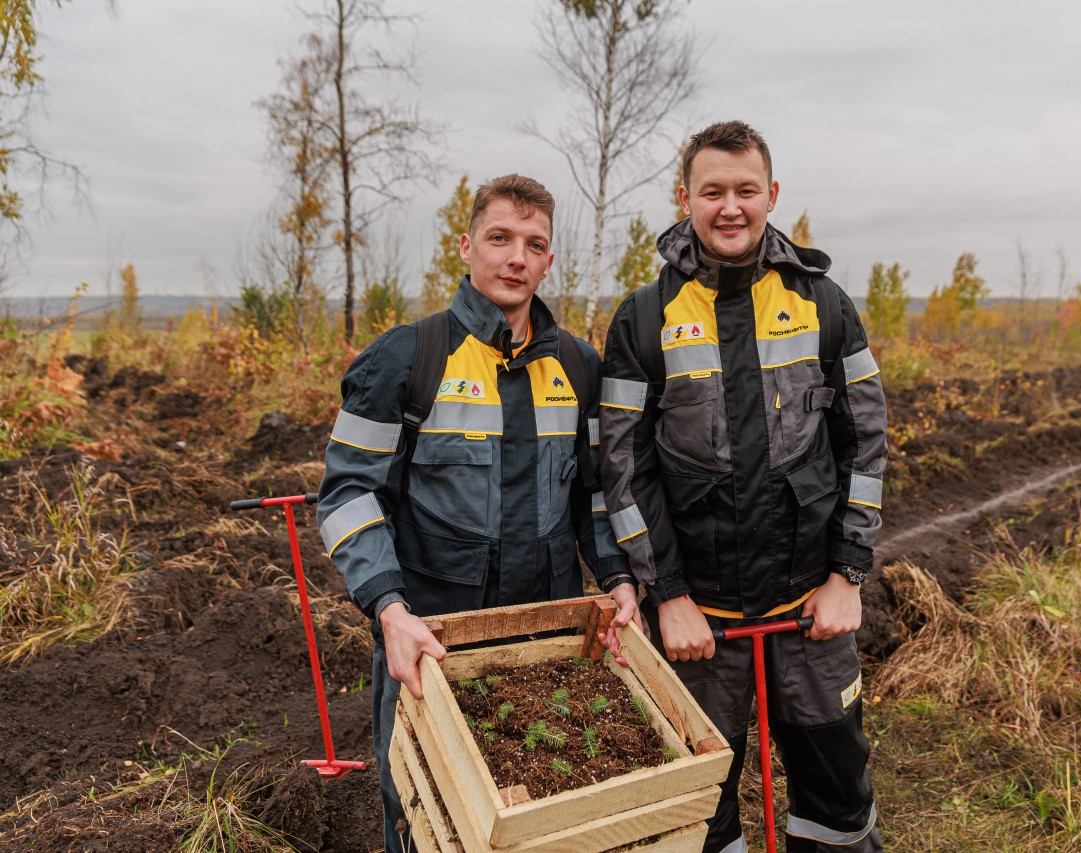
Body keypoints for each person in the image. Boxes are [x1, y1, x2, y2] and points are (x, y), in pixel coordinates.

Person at [317, 174, 635, 853]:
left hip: (546, 648)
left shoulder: (580, 368)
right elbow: (347, 495)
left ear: (550, 262)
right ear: (466, 246)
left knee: (545, 816)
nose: (515, 257)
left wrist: (619, 581)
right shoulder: (408, 359)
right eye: (500, 238)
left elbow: (596, 497)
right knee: (426, 816)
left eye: (534, 244)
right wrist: (389, 609)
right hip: (430, 647)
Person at [598, 121, 887, 852]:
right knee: (695, 813)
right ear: (685, 198)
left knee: (838, 808)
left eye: (746, 190)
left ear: (772, 195)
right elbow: (623, 468)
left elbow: (866, 443)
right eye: (713, 191)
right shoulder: (642, 317)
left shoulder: (824, 303)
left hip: (810, 611)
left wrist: (848, 574)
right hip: (702, 628)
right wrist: (668, 596)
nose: (731, 207)